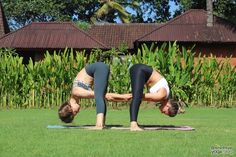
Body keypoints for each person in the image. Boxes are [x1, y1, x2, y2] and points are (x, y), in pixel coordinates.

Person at [58, 62, 131, 130]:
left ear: (70, 108)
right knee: (101, 97)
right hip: (100, 68)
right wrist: (124, 98)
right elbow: (106, 96)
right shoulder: (77, 94)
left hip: (99, 68)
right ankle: (102, 123)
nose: (78, 112)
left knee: (99, 96)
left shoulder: (77, 92)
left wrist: (124, 97)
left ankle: (99, 124)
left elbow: (101, 96)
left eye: (75, 112)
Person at [129, 63, 179, 131]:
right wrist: (122, 97)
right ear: (168, 106)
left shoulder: (167, 96)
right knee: (137, 97)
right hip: (140, 70)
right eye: (164, 112)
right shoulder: (161, 95)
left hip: (139, 69)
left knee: (137, 97)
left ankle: (135, 123)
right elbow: (139, 96)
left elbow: (175, 105)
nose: (162, 112)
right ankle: (133, 125)